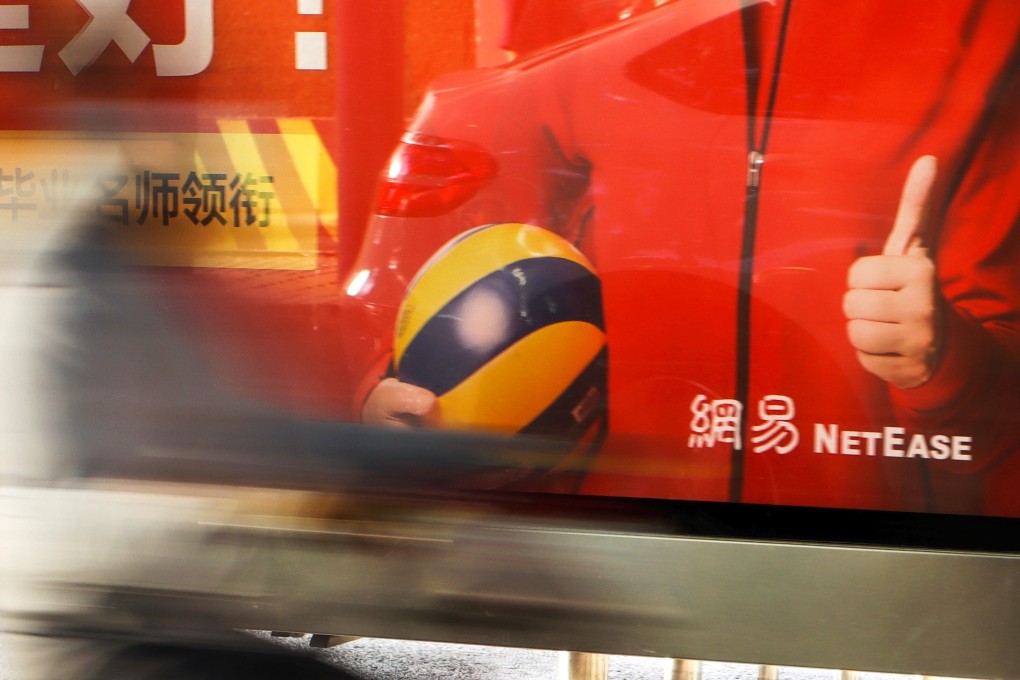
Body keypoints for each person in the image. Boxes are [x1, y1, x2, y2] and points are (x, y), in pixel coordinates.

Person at [352, 0, 1020, 517]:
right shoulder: (577, 16)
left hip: (864, 556)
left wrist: (945, 363)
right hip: (613, 547)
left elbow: (1000, 393)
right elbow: (484, 243)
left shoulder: (981, 21)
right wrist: (406, 390)